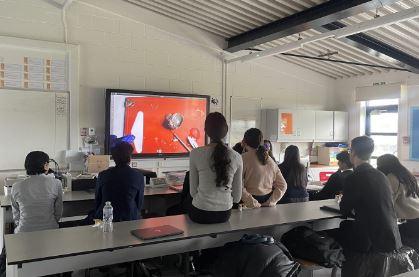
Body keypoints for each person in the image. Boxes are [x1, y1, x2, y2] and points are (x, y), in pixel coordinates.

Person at [339, 136, 401, 254]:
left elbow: (344, 210)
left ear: (353, 153)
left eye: (350, 150)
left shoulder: (353, 177)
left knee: (339, 229)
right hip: (391, 236)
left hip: (369, 239)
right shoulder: (381, 175)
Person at [189, 112, 243, 224]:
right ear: (226, 130)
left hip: (200, 212)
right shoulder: (237, 156)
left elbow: (193, 192)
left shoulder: (195, 153)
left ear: (205, 130)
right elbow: (237, 198)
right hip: (224, 214)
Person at [11, 151, 63, 233]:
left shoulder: (16, 186)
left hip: (24, 232)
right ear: (45, 165)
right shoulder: (56, 183)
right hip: (51, 230)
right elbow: (58, 211)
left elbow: (16, 214)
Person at [93, 142, 144, 222]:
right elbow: (139, 203)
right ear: (129, 158)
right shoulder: (138, 176)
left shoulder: (103, 175)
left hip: (106, 218)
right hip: (129, 218)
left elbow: (98, 200)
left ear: (114, 158)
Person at [241, 128, 287, 208]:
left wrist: (252, 202)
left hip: (248, 202)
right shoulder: (270, 160)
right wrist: (270, 201)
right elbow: (283, 185)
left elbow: (238, 186)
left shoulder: (243, 158)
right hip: (267, 201)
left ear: (244, 141)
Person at [377, 154, 419, 240]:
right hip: (416, 218)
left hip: (409, 223)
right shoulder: (407, 174)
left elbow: (387, 203)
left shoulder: (391, 178)